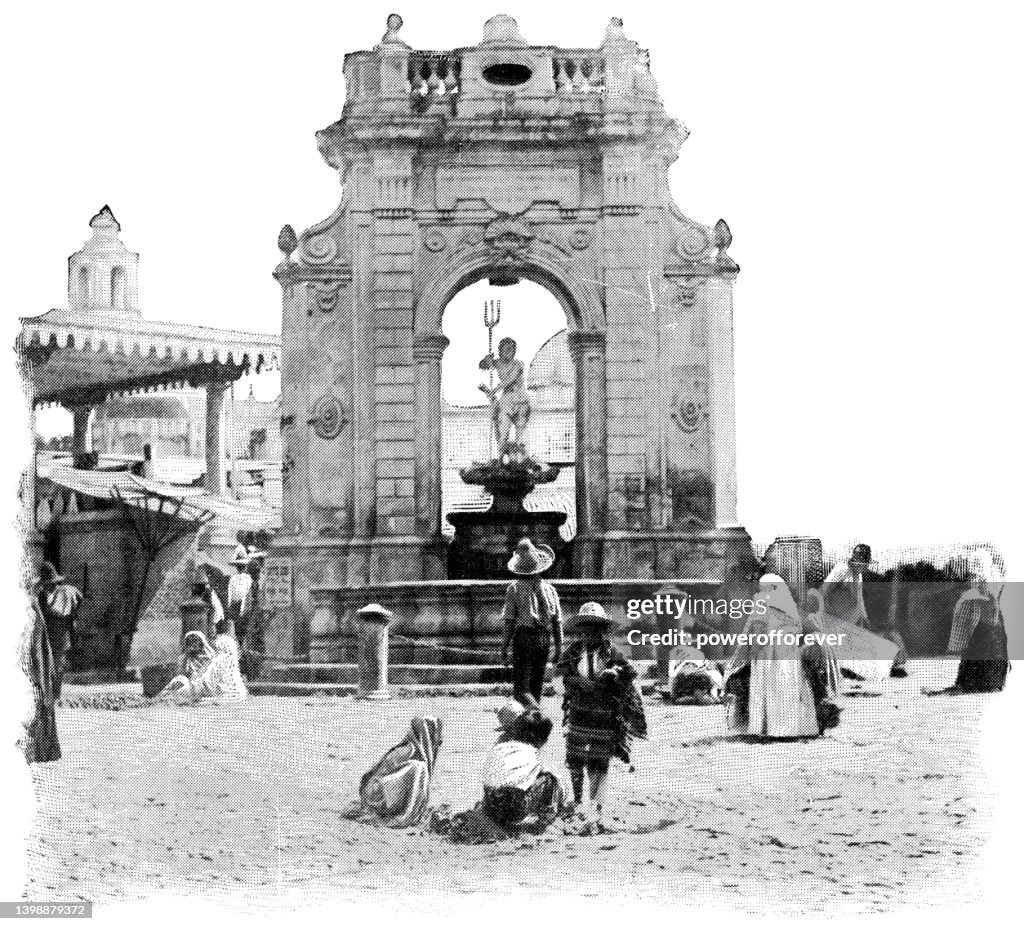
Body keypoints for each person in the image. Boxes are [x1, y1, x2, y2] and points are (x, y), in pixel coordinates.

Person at [558, 602, 646, 829]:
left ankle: (597, 806)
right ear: (580, 631)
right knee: (575, 759)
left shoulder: (613, 651)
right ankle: (578, 802)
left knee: (599, 761)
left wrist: (613, 674)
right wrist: (579, 682)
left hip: (604, 716)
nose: (590, 634)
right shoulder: (572, 652)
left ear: (601, 630)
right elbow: (561, 679)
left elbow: (631, 674)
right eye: (586, 629)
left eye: (595, 629)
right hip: (578, 713)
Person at [723, 574, 825, 739]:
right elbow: (800, 630)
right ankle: (790, 730)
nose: (762, 592)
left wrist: (744, 654)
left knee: (770, 691)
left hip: (767, 655)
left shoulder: (761, 603)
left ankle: (769, 728)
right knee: (788, 689)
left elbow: (753, 631)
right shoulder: (789, 605)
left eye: (765, 589)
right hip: (789, 656)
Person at [926, 550, 1009, 695]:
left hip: (988, 637)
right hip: (993, 637)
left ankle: (972, 683)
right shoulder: (992, 579)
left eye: (974, 565)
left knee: (970, 679)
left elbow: (989, 597)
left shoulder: (986, 581)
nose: (971, 570)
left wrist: (967, 596)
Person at [821, 543, 907, 678]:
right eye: (862, 561)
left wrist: (865, 620)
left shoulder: (858, 576)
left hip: (850, 622)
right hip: (835, 622)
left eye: (866, 562)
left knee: (885, 637)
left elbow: (859, 601)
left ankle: (889, 667)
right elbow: (823, 592)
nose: (865, 566)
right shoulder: (841, 570)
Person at [481, 700, 566, 830]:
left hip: (489, 806)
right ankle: (544, 821)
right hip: (513, 808)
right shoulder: (532, 751)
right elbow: (559, 783)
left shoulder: (499, 746)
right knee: (551, 779)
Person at [501, 538, 563, 705]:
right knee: (537, 684)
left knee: (522, 687)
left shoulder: (513, 588)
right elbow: (557, 623)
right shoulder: (550, 589)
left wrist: (504, 646)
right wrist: (558, 647)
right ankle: (534, 721)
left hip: (524, 638)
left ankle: (535, 716)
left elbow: (509, 622)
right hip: (544, 638)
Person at [358, 716, 443, 828]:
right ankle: (405, 817)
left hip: (376, 797)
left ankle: (408, 812)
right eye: (436, 734)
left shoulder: (413, 750)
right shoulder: (409, 751)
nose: (439, 740)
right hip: (376, 798)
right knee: (419, 767)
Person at [18, 598, 61, 764]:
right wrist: (42, 682)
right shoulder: (32, 614)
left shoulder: (33, 611)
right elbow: (37, 651)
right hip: (34, 673)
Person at [35, 561, 83, 701]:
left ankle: (55, 696)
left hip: (61, 634)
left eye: (50, 583)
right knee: (45, 665)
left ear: (55, 582)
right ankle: (45, 695)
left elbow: (79, 601)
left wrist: (71, 617)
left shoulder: (67, 591)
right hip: (46, 632)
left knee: (57, 666)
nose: (48, 586)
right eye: (46, 584)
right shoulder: (42, 594)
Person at [479, 336, 531, 455]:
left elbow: (509, 380)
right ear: (500, 351)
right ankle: (501, 459)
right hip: (506, 401)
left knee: (521, 436)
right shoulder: (497, 362)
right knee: (502, 432)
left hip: (521, 401)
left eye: (513, 349)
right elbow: (482, 366)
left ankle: (520, 462)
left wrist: (495, 390)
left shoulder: (518, 364)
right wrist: (486, 360)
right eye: (507, 349)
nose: (510, 352)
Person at [225, 548, 254, 642]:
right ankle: (239, 645)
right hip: (235, 606)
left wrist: (243, 607)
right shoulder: (233, 578)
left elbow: (247, 593)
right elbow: (230, 593)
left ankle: (243, 646)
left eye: (242, 566)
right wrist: (229, 606)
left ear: (245, 566)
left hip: (245, 605)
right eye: (239, 566)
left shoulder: (248, 579)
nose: (240, 568)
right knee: (237, 629)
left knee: (245, 629)